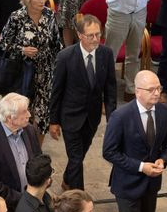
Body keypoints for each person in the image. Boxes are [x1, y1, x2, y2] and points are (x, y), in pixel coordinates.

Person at [103, 70, 167, 212]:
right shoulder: (121, 116)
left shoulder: (164, 111)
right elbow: (109, 151)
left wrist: (163, 160)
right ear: (138, 92)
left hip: (151, 184)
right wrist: (142, 166)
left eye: (158, 88)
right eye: (151, 89)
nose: (157, 93)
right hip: (127, 183)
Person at [49, 15, 117, 190]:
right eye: (90, 35)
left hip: (92, 118)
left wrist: (113, 119)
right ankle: (79, 197)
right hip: (70, 117)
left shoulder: (106, 54)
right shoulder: (65, 57)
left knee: (78, 156)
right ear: (79, 35)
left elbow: (110, 89)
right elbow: (56, 91)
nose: (95, 39)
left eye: (98, 34)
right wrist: (54, 121)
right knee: (77, 158)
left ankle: (66, 180)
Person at [0, 0, 64, 134]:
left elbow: (56, 43)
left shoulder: (49, 15)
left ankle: (36, 152)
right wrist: (22, 49)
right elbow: (3, 42)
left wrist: (60, 66)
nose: (42, 0)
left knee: (42, 117)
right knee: (22, 114)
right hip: (22, 73)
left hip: (45, 73)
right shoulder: (17, 17)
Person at [0, 93, 43, 212]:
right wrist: (24, 200)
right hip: (5, 208)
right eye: (24, 112)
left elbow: (39, 161)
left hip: (33, 199)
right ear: (9, 118)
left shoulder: (30, 130)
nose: (29, 114)